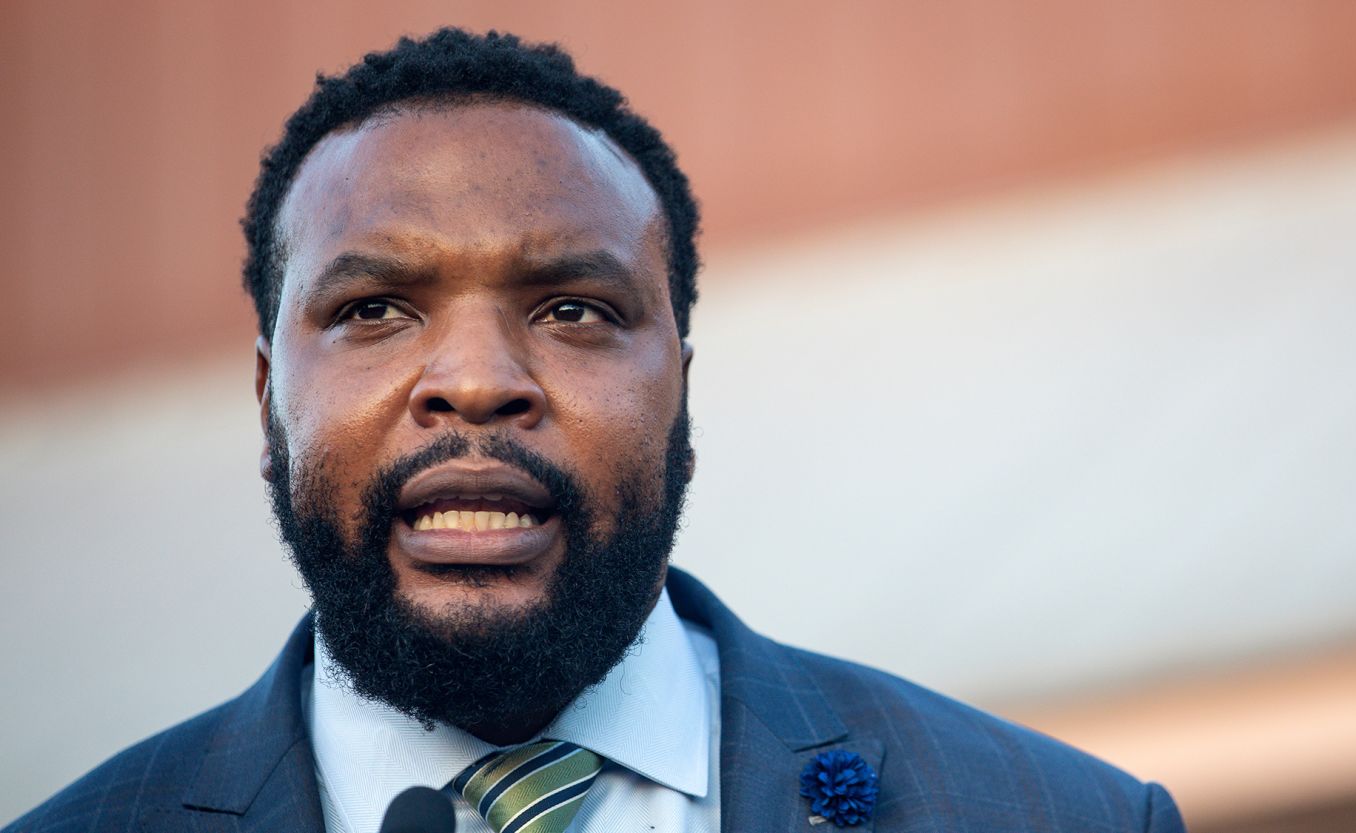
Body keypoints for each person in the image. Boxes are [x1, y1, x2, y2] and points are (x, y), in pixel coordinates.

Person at [7, 28, 1185, 833]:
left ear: (679, 387)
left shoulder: (1049, 814)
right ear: (267, 400)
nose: (474, 381)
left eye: (573, 309)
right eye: (373, 309)